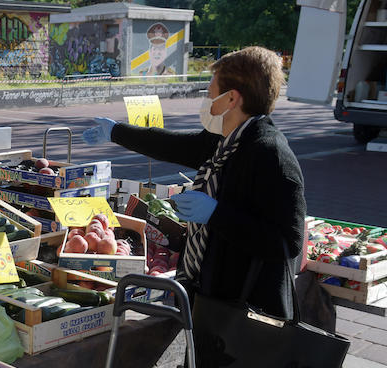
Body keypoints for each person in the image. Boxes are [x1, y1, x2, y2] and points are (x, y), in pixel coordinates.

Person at [83, 46, 306, 319]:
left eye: (211, 93)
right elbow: (172, 145)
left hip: (246, 309)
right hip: (209, 292)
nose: (208, 99)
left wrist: (216, 214)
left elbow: (287, 241)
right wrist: (115, 131)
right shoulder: (224, 142)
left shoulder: (271, 155)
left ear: (231, 99)